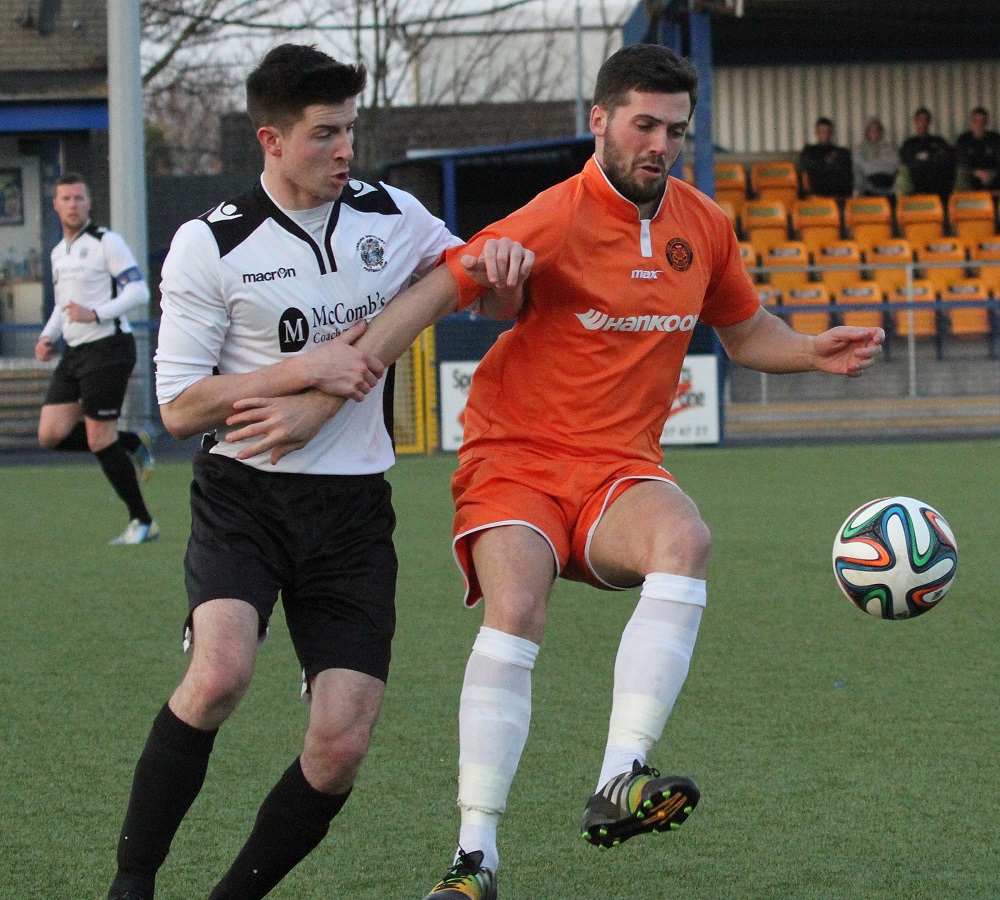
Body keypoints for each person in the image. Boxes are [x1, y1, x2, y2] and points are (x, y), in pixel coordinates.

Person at [405, 44, 877, 899]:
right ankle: (474, 857)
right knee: (517, 605)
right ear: (601, 122)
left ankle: (622, 775)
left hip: (619, 469)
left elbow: (743, 331)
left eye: (676, 131)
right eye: (644, 125)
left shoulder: (705, 225)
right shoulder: (552, 214)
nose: (661, 143)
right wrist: (393, 343)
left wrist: (810, 350)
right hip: (513, 460)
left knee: (685, 537)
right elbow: (453, 284)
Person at [105, 44, 530, 900]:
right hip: (244, 497)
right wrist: (302, 373)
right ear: (271, 139)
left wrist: (508, 276)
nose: (345, 151)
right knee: (220, 673)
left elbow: (480, 292)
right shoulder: (210, 242)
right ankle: (132, 882)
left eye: (351, 132)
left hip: (353, 515)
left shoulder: (391, 213)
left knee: (341, 743)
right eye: (325, 134)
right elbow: (181, 407)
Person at [34, 173, 157, 545]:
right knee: (51, 434)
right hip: (76, 352)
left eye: (79, 198)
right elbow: (62, 305)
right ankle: (131, 442)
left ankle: (143, 521)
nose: (72, 204)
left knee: (98, 438)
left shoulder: (107, 242)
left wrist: (97, 312)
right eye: (65, 199)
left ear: (89, 203)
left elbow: (139, 291)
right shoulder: (59, 252)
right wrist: (47, 336)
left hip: (109, 346)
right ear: (55, 205)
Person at [898, 107, 956, 200]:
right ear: (915, 122)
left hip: (936, 182)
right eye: (920, 120)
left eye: (925, 120)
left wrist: (924, 158)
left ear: (929, 122)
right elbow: (907, 161)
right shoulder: (909, 143)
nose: (922, 123)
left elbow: (945, 158)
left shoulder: (939, 141)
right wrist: (930, 158)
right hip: (915, 182)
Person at [798, 116, 853, 198]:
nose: (825, 134)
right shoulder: (809, 151)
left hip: (836, 194)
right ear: (816, 132)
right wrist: (828, 161)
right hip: (815, 194)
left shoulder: (841, 152)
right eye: (821, 131)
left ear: (831, 132)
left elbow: (846, 174)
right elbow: (805, 170)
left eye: (827, 131)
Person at [955, 106, 1000, 191]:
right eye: (976, 121)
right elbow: (961, 163)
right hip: (971, 176)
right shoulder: (964, 139)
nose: (979, 125)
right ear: (971, 122)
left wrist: (991, 174)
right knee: (961, 175)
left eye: (982, 122)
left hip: (992, 176)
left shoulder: (995, 138)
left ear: (987, 122)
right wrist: (976, 173)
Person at [853, 117, 899, 197]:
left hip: (889, 187)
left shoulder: (890, 148)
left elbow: (895, 165)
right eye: (872, 130)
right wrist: (879, 165)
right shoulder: (860, 150)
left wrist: (873, 164)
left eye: (877, 130)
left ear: (881, 132)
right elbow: (859, 167)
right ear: (867, 132)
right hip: (868, 188)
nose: (874, 132)